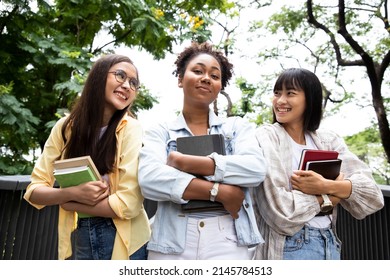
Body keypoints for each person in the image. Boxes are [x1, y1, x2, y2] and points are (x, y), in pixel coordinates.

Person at [138, 41, 267, 260]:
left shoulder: (236, 128)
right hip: (172, 239)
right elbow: (149, 179)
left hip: (229, 236)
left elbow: (255, 169)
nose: (206, 78)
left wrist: (186, 163)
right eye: (197, 71)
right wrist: (219, 191)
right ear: (180, 79)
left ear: (219, 86)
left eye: (215, 76)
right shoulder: (160, 131)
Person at [23, 54, 151, 260]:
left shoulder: (131, 128)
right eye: (120, 76)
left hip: (126, 240)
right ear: (99, 77)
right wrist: (73, 193)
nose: (127, 85)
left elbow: (128, 204)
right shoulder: (66, 128)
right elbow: (34, 191)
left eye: (133, 83)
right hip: (82, 235)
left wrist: (70, 203)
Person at [251, 67, 384, 260]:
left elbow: (373, 196)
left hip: (330, 241)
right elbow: (280, 213)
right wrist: (330, 198)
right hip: (289, 247)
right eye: (277, 93)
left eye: (290, 93)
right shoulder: (267, 137)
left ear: (310, 99)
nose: (280, 101)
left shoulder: (328, 140)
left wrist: (326, 186)